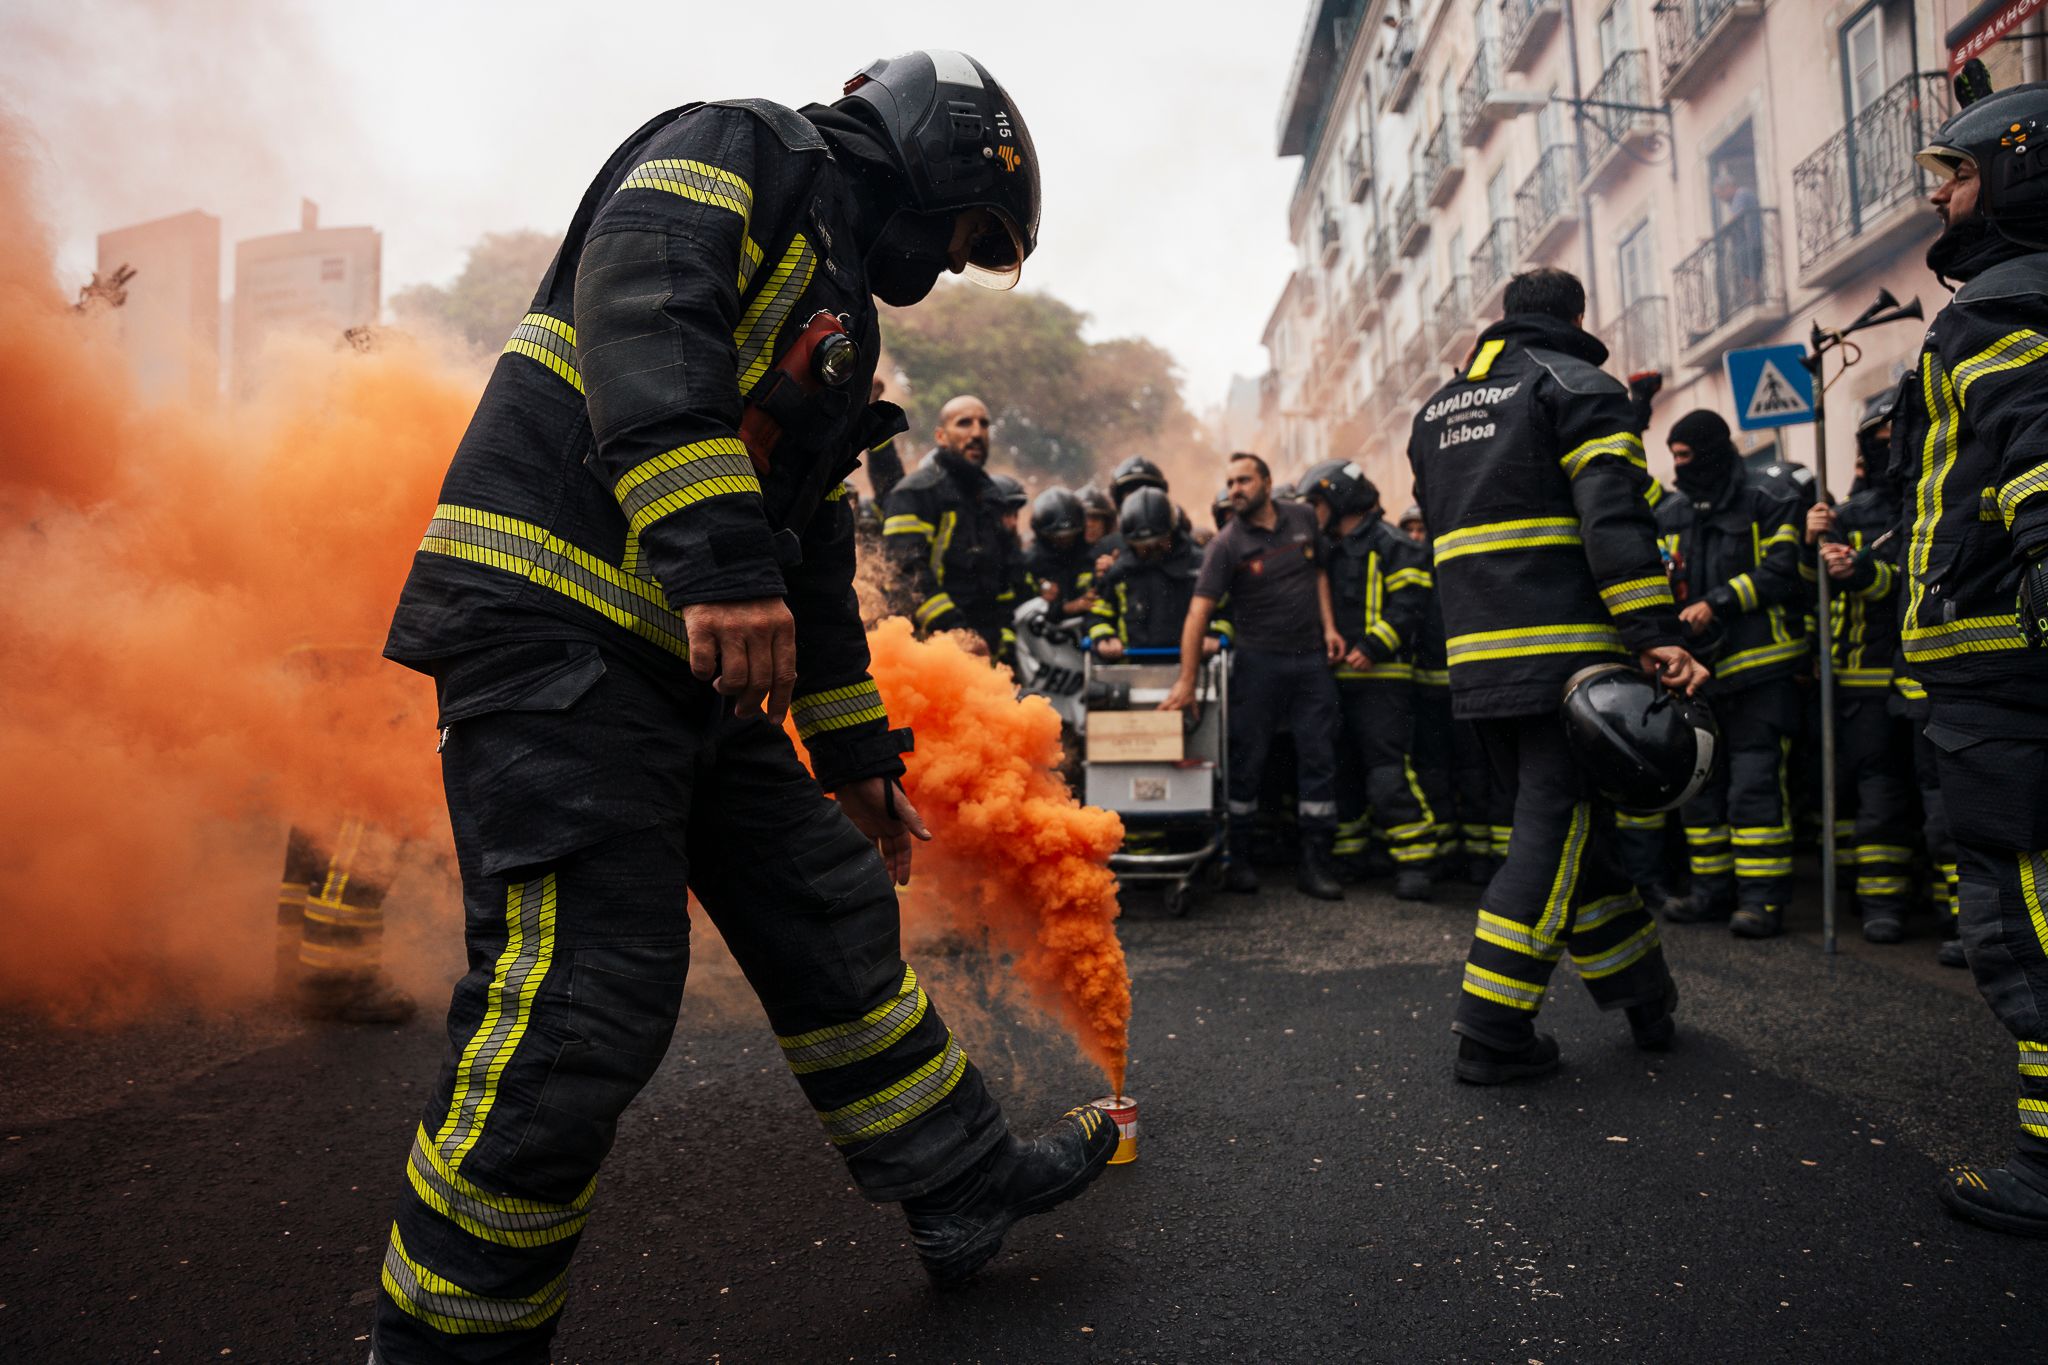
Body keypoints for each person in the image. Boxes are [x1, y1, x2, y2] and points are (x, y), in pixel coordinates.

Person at [371, 51, 1115, 1361]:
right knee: (583, 996)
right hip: (560, 628)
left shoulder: (840, 305)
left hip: (677, 663)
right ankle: (446, 1339)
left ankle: (956, 1182)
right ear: (938, 153)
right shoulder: (744, 146)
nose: (952, 261)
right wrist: (716, 566)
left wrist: (854, 749)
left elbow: (810, 547)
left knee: (824, 903)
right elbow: (649, 314)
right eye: (967, 231)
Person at [1408, 267, 1708, 1085]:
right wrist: (1654, 634)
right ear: (1576, 317)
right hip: (1569, 664)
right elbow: (1615, 518)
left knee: (1580, 837)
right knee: (1551, 837)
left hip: (1480, 664)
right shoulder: (1579, 386)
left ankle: (1646, 998)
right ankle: (1492, 1031)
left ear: (1505, 318)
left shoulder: (1436, 414)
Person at [1894, 84, 2048, 1234]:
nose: (1937, 197)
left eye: (1951, 174)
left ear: (2013, 172)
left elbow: (2037, 452)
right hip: (1998, 666)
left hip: (2003, 676)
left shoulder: (1996, 310)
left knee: (2019, 920)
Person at [1162, 452, 1346, 901]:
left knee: (1318, 758)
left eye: (1243, 480)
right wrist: (1187, 680)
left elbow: (1319, 571)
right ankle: (1239, 861)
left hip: (1310, 662)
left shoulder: (1303, 517)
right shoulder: (1225, 545)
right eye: (1230, 483)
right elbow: (1198, 614)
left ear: (1266, 480)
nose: (1235, 490)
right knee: (1247, 761)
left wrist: (1329, 628)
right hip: (1258, 663)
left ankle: (1315, 865)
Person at [1655, 409, 1809, 939]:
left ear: (1713, 451)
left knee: (1754, 787)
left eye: (1686, 456)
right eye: (1674, 457)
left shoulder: (1769, 499)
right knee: (1700, 789)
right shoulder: (1672, 514)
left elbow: (1782, 572)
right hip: (1697, 675)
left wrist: (1717, 602)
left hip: (1761, 671)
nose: (1679, 466)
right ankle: (1710, 893)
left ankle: (1762, 900)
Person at [1803, 395, 1915, 943]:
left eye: (1894, 437)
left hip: (1925, 671)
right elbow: (1814, 591)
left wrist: (1866, 571)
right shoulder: (1847, 517)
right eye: (1877, 440)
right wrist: (1814, 544)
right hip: (1862, 679)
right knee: (1876, 792)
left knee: (1933, 796)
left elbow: (1909, 582)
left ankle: (1952, 911)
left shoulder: (1929, 503)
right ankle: (1879, 901)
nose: (1886, 449)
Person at [1301, 460, 1437, 900]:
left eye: (1317, 503)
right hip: (1336, 680)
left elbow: (1411, 604)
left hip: (1383, 679)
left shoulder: (1393, 544)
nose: (1313, 513)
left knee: (1386, 773)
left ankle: (1415, 862)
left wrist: (1373, 646)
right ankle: (1352, 855)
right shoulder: (1327, 549)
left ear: (1339, 497)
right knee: (1342, 771)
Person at [884, 394, 1013, 656]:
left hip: (985, 655)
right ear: (941, 436)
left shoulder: (993, 499)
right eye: (964, 423)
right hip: (930, 651)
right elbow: (906, 574)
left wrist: (1005, 645)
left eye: (984, 424)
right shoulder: (915, 493)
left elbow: (1002, 580)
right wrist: (956, 632)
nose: (977, 433)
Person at [1088, 486, 1229, 656]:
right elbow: (1098, 613)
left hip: (1194, 663)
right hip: (1131, 666)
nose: (1151, 548)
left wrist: (1216, 635)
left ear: (1173, 532)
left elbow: (1227, 610)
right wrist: (1104, 636)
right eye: (1143, 545)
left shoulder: (1200, 567)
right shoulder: (1119, 572)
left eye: (1159, 541)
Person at [1025, 487, 1099, 620]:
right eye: (1057, 537)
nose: (1065, 541)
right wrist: (1062, 608)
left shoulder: (1092, 557)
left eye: (1070, 535)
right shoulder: (1030, 563)